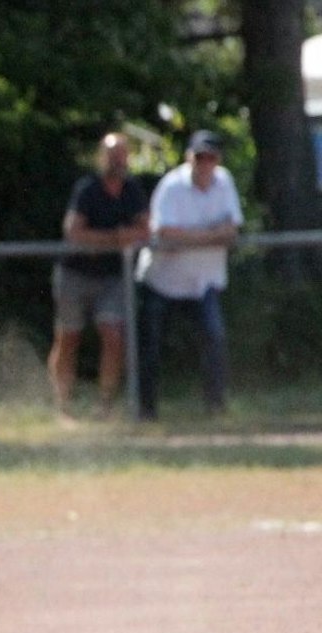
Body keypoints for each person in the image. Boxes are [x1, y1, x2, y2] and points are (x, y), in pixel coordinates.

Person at [136, 130, 244, 420]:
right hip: (162, 282)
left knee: (215, 338)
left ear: (217, 159)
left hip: (203, 283)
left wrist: (190, 236)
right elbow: (166, 233)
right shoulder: (171, 186)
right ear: (189, 157)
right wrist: (212, 234)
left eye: (210, 157)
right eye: (199, 156)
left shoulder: (225, 182)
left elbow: (232, 230)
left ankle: (215, 407)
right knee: (151, 347)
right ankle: (146, 410)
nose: (205, 163)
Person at [48, 132, 149, 419]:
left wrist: (104, 240)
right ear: (101, 157)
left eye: (122, 154)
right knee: (68, 336)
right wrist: (117, 238)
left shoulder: (132, 190)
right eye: (111, 154)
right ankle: (63, 406)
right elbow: (73, 232)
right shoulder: (87, 189)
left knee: (113, 335)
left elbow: (145, 229)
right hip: (74, 274)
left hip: (112, 277)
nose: (117, 160)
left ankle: (104, 404)